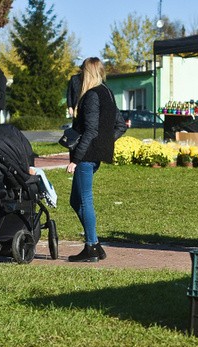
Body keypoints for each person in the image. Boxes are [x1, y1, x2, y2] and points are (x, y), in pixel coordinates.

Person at [66, 57, 127, 262]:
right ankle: (95, 244)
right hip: (95, 153)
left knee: (85, 199)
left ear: (88, 72)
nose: (80, 75)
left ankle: (91, 245)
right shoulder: (107, 93)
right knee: (75, 200)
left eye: (82, 71)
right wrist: (105, 142)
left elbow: (90, 130)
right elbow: (121, 126)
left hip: (86, 155)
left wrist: (76, 159)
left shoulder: (92, 95)